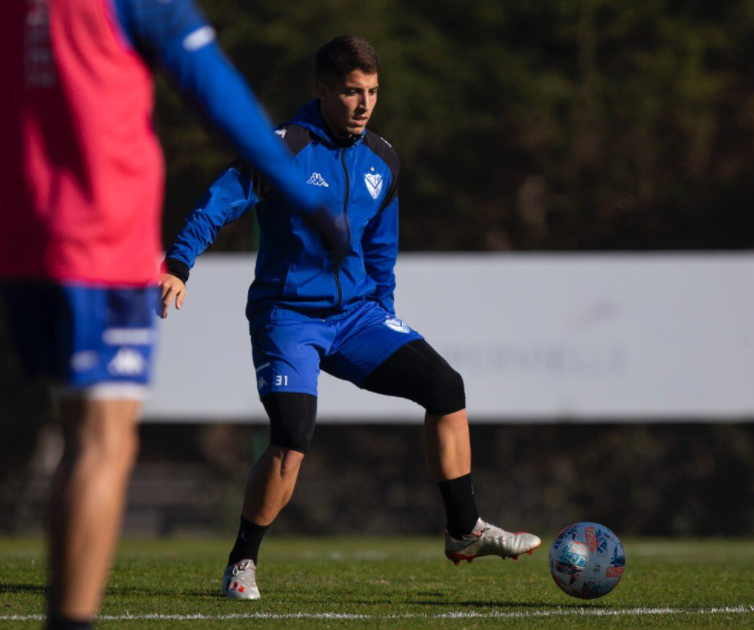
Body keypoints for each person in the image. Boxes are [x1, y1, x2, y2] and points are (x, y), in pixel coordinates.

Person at [0, 0, 345, 626]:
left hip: (18, 238)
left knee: (80, 438)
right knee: (104, 444)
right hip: (98, 238)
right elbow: (219, 96)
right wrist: (303, 200)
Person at [159, 35, 541, 601]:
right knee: (291, 440)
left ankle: (463, 530)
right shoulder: (283, 147)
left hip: (358, 317)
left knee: (445, 386)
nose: (363, 104)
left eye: (372, 92)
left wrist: (382, 311)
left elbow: (382, 248)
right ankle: (242, 561)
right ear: (322, 91)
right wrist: (179, 264)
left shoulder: (382, 160)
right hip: (288, 317)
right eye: (351, 92)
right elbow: (220, 200)